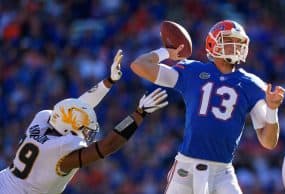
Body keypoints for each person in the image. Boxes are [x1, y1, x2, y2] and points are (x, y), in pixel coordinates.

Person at [130, 20, 285, 194]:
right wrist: (166, 52)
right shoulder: (193, 71)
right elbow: (139, 66)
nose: (236, 46)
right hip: (186, 166)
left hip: (222, 171)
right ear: (213, 43)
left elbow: (268, 142)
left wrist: (272, 109)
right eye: (229, 41)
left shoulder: (253, 85)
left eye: (238, 42)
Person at [0, 50, 168, 194]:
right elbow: (107, 146)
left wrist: (108, 81)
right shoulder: (62, 149)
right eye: (82, 129)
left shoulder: (43, 119)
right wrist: (139, 113)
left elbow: (77, 108)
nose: (86, 132)